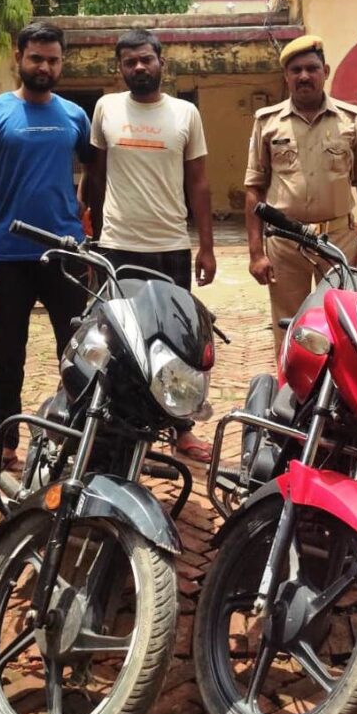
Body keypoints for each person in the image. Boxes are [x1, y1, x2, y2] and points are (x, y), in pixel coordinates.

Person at [0, 21, 92, 474]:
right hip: (7, 255)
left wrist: (83, 214)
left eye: (53, 60)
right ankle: (6, 445)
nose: (44, 67)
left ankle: (77, 441)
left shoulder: (75, 116)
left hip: (64, 255)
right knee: (8, 357)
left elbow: (96, 170)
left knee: (76, 354)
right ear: (18, 57)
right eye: (36, 58)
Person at [86, 28, 216, 462]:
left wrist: (206, 246)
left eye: (146, 59)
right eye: (130, 61)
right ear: (119, 68)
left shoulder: (185, 114)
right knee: (115, 340)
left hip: (170, 245)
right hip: (117, 245)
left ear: (162, 62)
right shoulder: (105, 108)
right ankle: (115, 425)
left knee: (178, 341)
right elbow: (96, 178)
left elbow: (199, 183)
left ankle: (182, 428)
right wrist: (94, 240)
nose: (139, 67)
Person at [244, 35, 357, 354]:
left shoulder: (352, 120)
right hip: (285, 242)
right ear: (286, 76)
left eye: (311, 68)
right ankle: (291, 385)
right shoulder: (267, 122)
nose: (304, 76)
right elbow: (254, 186)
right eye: (296, 70)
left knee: (343, 326)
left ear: (325, 72)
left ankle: (338, 387)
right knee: (290, 327)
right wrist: (256, 252)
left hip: (338, 240)